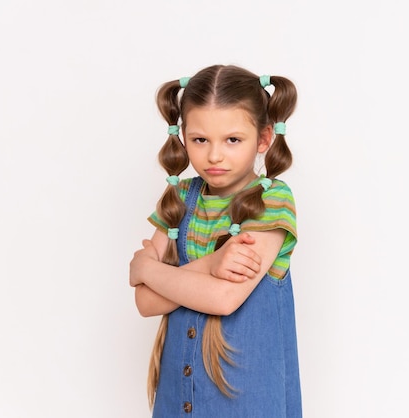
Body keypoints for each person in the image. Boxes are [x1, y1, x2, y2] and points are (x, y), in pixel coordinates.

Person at [129, 64, 302, 417]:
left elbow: (224, 298)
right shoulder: (179, 197)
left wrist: (147, 268)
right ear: (183, 136)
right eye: (200, 139)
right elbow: (145, 302)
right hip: (179, 397)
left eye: (233, 140)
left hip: (247, 401)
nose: (214, 155)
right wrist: (210, 264)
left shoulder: (272, 201)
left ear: (264, 138)